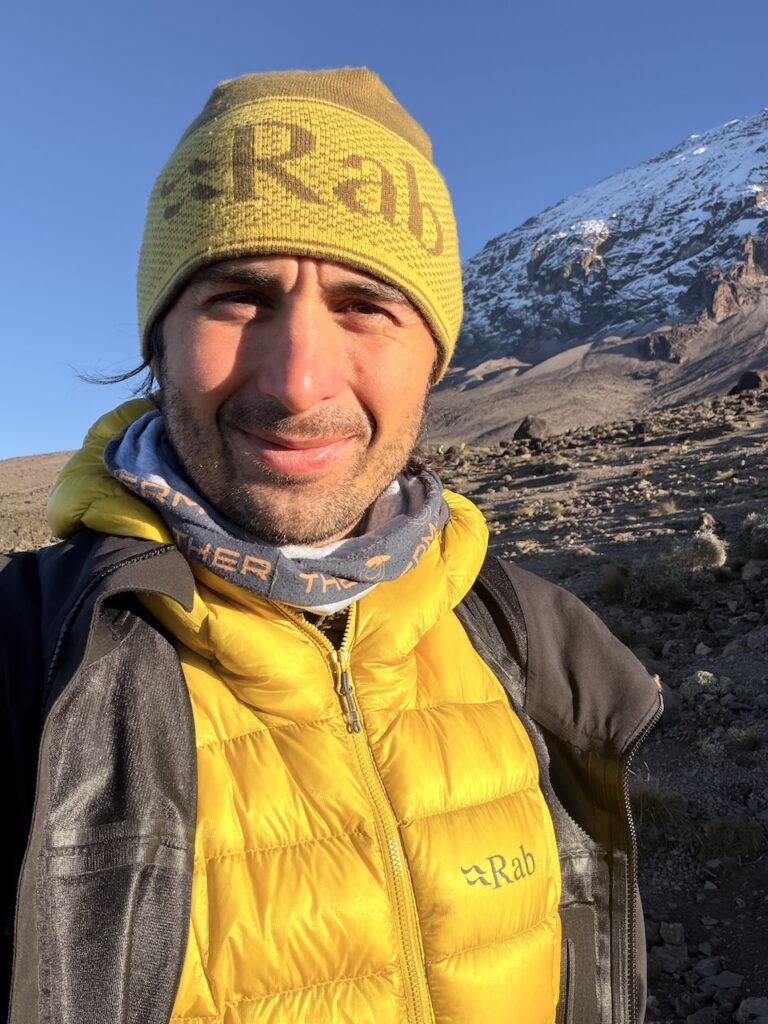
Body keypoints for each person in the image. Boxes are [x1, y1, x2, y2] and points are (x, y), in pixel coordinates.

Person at [1, 68, 662, 1024]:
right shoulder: (34, 661)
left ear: (434, 356)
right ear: (160, 339)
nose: (299, 381)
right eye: (238, 297)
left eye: (365, 305)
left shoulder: (540, 645)